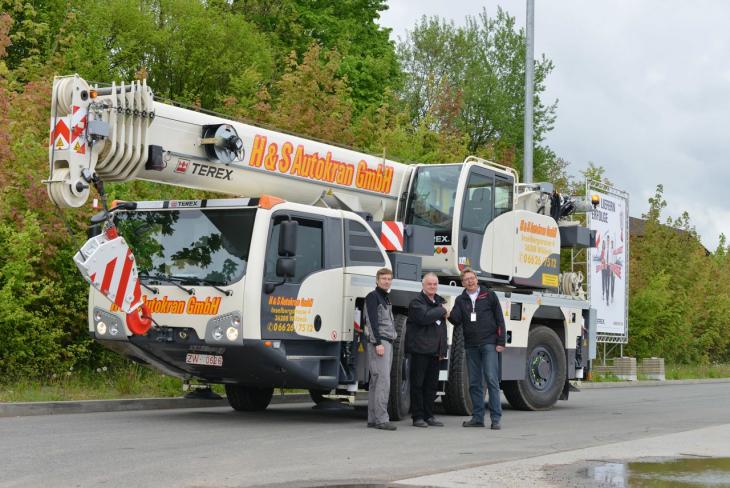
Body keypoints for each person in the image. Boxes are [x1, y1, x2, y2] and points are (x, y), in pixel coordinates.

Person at [448, 268, 505, 429]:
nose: (470, 281)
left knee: (491, 379)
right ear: (462, 283)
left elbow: (499, 319)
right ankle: (478, 418)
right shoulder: (461, 300)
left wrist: (501, 342)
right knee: (474, 383)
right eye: (466, 280)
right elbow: (456, 320)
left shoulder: (489, 295)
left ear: (476, 280)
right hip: (471, 345)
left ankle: (495, 419)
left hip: (489, 343)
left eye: (472, 278)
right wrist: (448, 313)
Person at [406, 272, 448, 428]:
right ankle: (417, 417)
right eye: (430, 284)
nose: (433, 286)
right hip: (420, 350)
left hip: (435, 352)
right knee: (418, 384)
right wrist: (442, 310)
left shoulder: (438, 301)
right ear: (423, 285)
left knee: (431, 385)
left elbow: (442, 329)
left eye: (435, 284)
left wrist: (442, 350)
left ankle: (429, 415)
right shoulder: (416, 302)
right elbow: (424, 317)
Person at [363, 267, 397, 431]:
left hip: (387, 341)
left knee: (377, 381)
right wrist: (377, 343)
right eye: (384, 279)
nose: (387, 281)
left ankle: (373, 418)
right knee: (383, 381)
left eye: (389, 279)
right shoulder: (373, 297)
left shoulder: (385, 298)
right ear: (377, 280)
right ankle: (382, 419)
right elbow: (371, 321)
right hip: (381, 342)